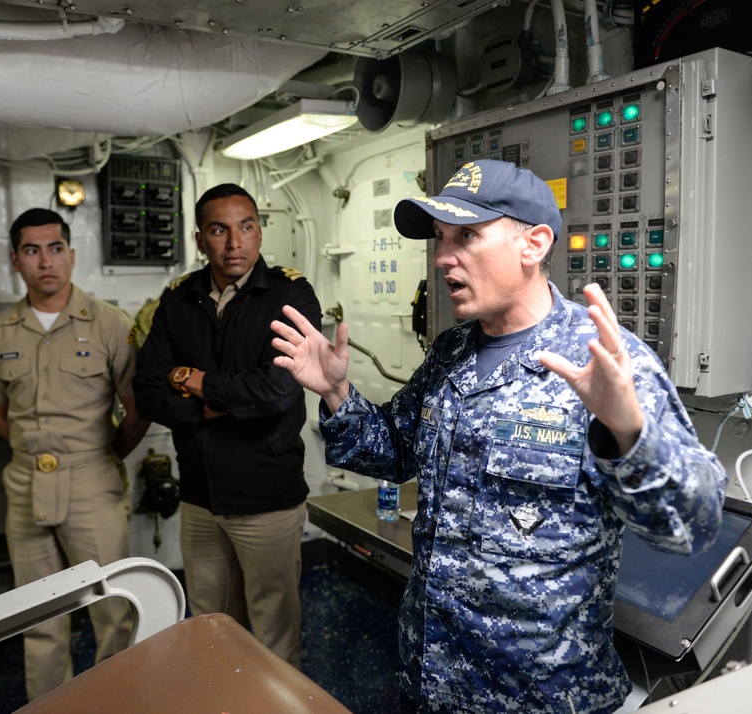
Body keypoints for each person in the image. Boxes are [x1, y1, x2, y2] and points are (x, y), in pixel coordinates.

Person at [269, 159, 727, 713]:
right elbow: (396, 448)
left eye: (466, 237)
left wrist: (630, 433)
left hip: (540, 699)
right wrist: (337, 392)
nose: (442, 257)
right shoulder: (451, 351)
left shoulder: (604, 361)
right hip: (432, 681)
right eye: (440, 239)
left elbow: (694, 527)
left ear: (534, 244)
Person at [133, 183, 322, 668]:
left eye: (246, 227)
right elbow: (149, 390)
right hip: (200, 496)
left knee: (274, 638)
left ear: (259, 232)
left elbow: (278, 390)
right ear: (200, 240)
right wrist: (215, 404)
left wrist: (193, 381)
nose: (234, 243)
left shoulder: (288, 294)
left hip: (266, 498)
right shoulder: (179, 299)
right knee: (211, 632)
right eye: (219, 231)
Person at [0, 208, 149, 701]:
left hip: (91, 479)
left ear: (71, 256)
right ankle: (49, 708)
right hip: (27, 482)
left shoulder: (109, 323)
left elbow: (137, 408)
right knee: (37, 615)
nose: (45, 261)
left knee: (113, 609)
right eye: (31, 251)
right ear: (15, 260)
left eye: (55, 249)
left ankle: (117, 706)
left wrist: (103, 455)